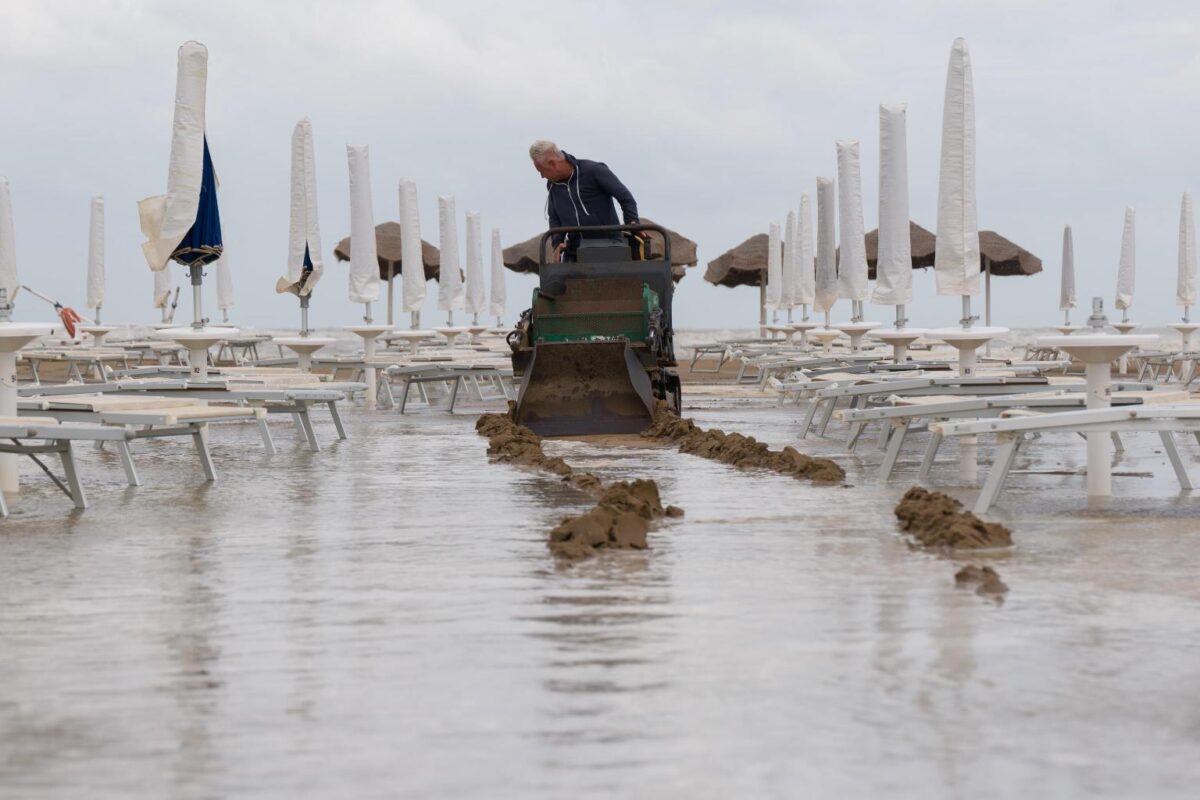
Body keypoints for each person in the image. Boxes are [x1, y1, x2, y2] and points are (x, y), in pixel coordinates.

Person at [529, 140, 640, 261]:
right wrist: (557, 243)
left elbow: (625, 197)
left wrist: (632, 222)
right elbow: (554, 217)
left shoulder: (594, 171)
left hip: (609, 246)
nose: (542, 176)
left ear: (552, 164)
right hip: (574, 251)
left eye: (541, 170)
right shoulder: (552, 185)